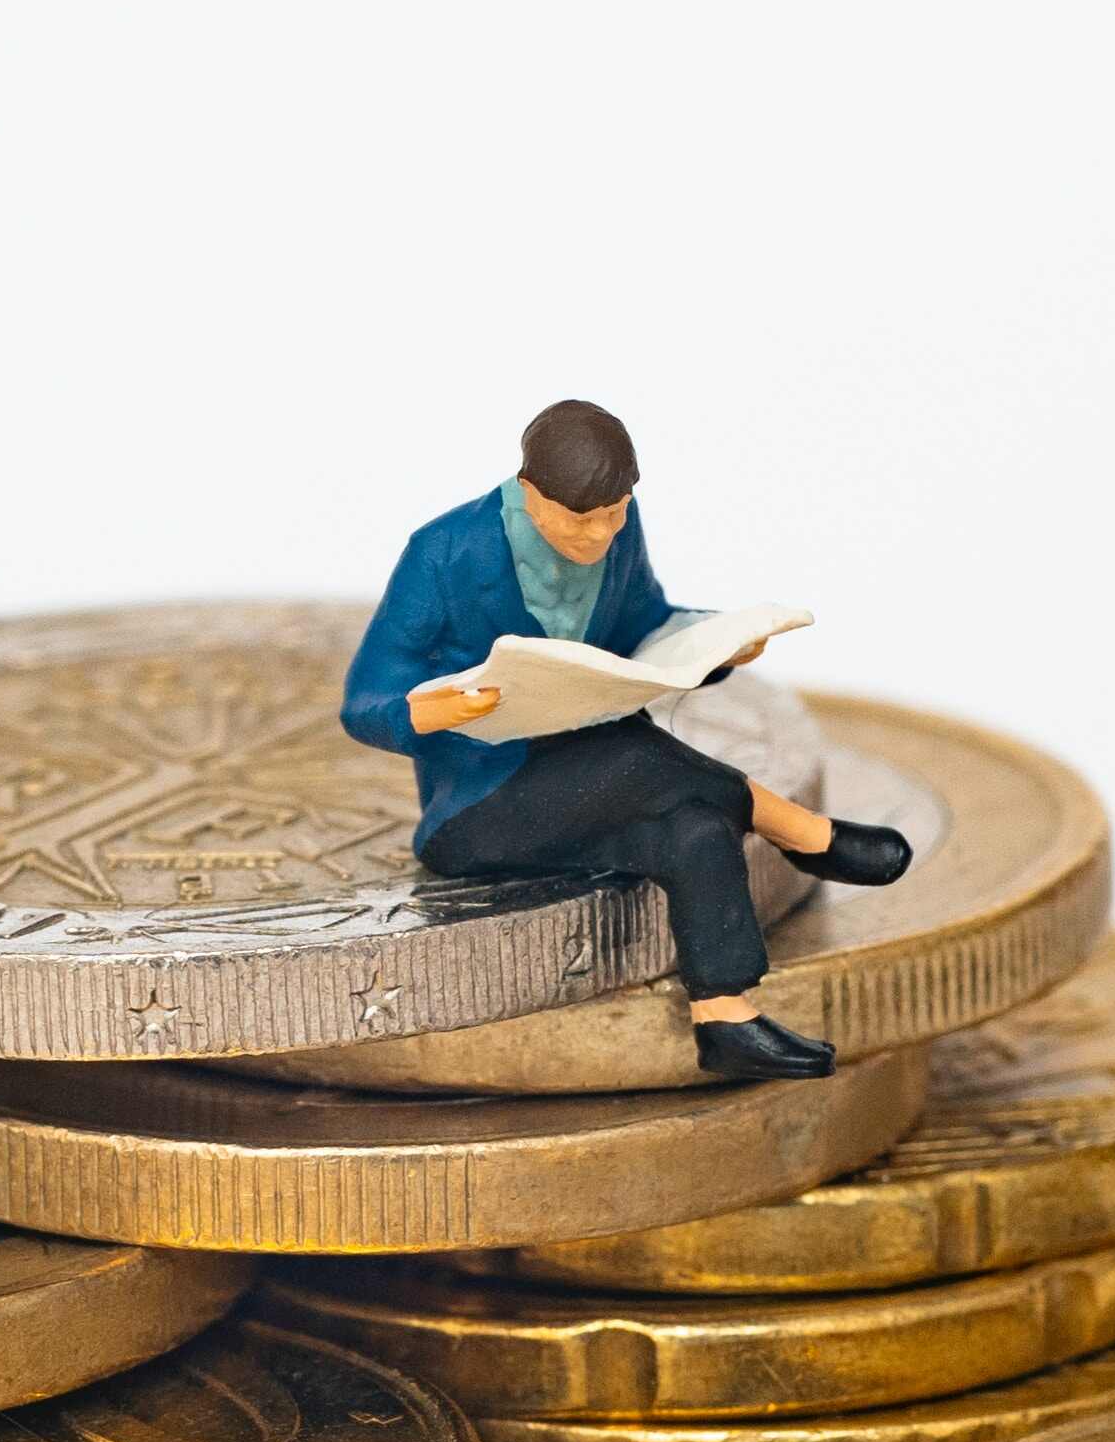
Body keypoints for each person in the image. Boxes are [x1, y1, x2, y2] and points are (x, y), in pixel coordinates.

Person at [339, 400, 910, 1080]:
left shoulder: (619, 525)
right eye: (580, 519)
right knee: (635, 757)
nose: (600, 534)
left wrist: (717, 644)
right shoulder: (444, 550)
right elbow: (365, 697)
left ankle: (724, 1017)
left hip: (597, 776)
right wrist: (431, 712)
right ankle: (805, 834)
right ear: (529, 494)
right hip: (481, 807)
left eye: (615, 512)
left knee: (695, 826)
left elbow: (646, 622)